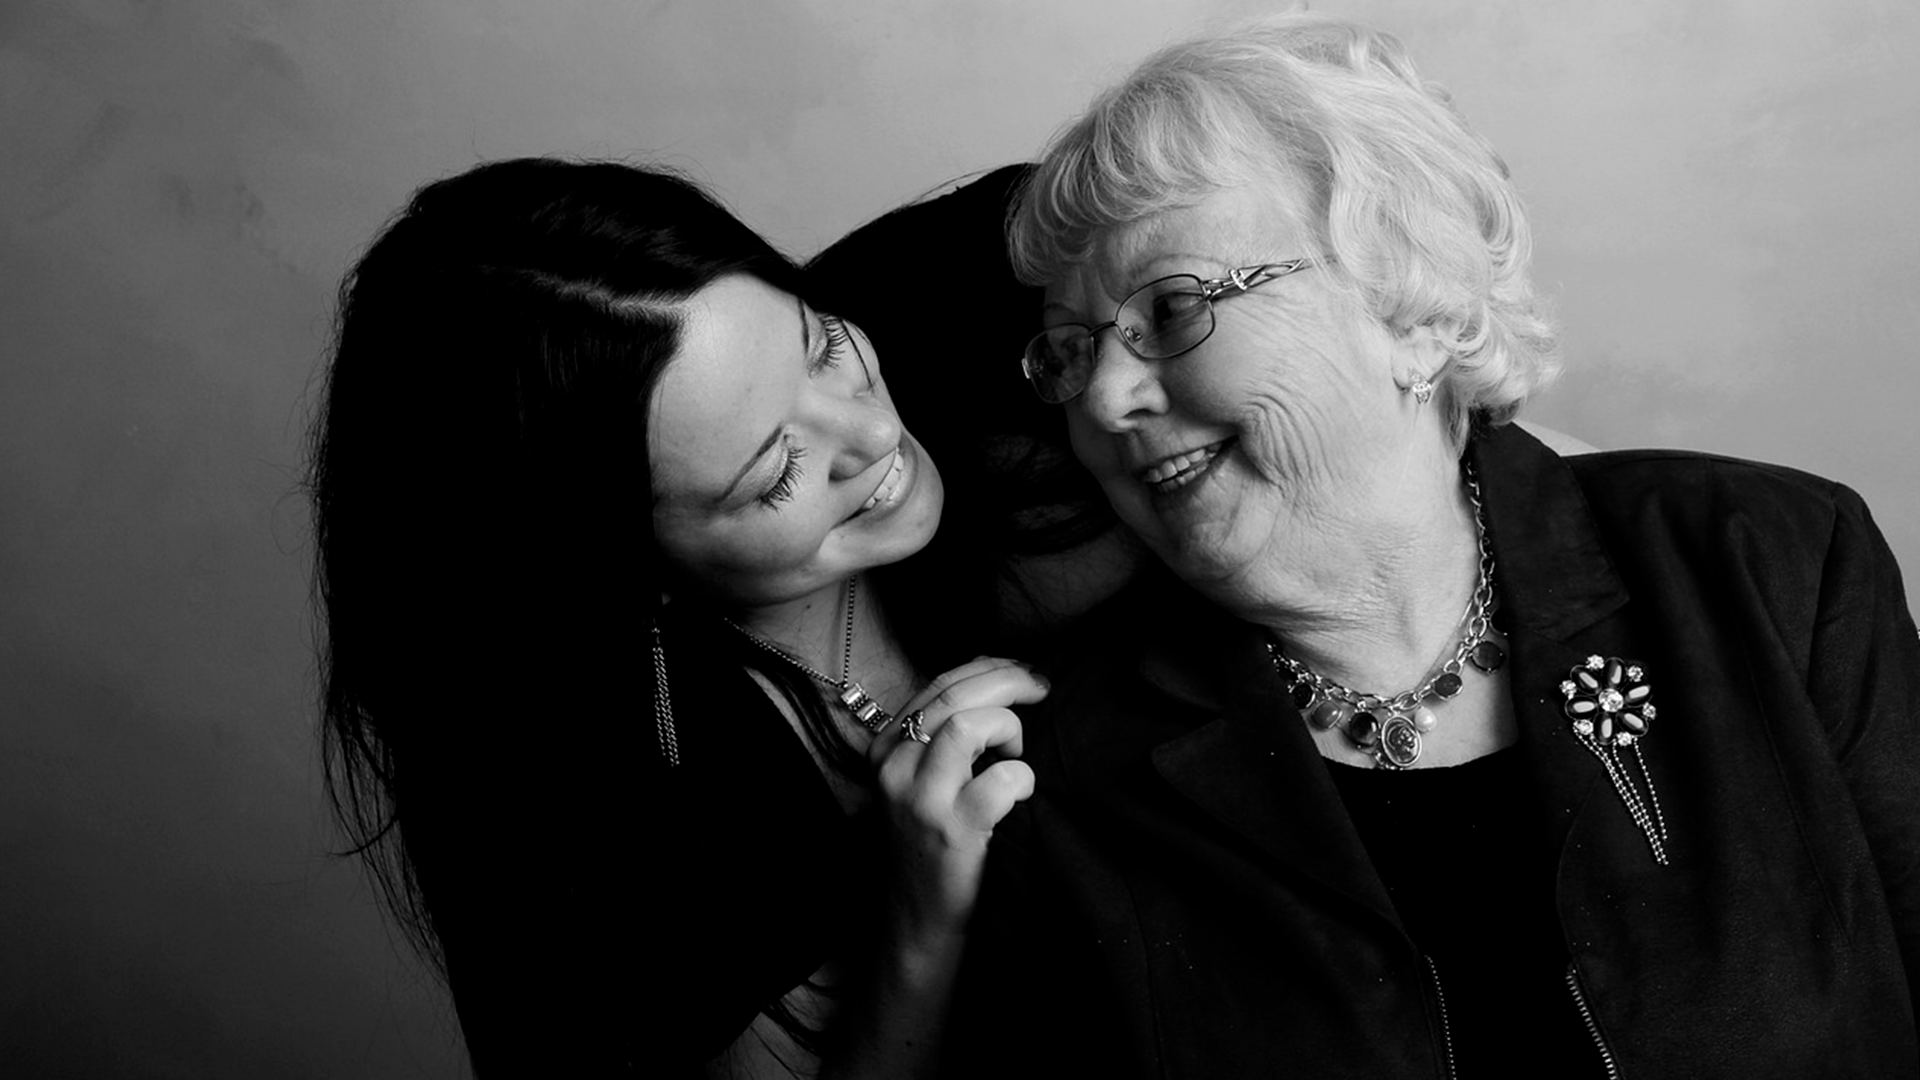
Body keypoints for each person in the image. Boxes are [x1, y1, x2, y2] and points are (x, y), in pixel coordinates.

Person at [945, 13, 1920, 1078]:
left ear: (1415, 308)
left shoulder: (1769, 561)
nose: (1104, 398)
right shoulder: (1061, 773)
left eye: (1173, 308)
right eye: (1071, 353)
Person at [305, 157, 1046, 1077]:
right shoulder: (616, 809)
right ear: (624, 566)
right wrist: (920, 919)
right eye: (776, 472)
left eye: (820, 347)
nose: (873, 435)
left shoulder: (915, 295)